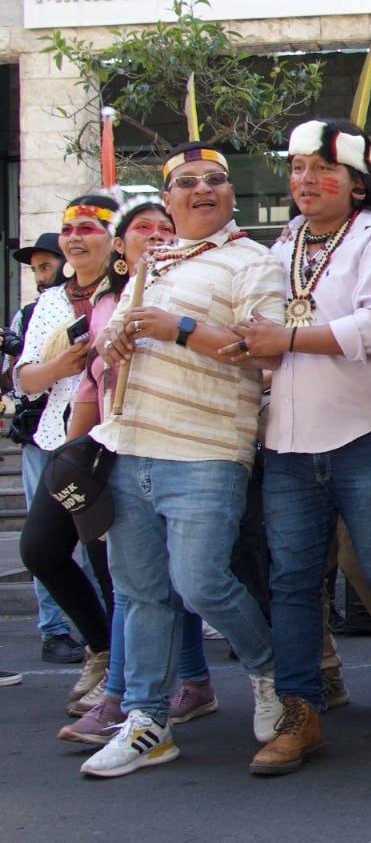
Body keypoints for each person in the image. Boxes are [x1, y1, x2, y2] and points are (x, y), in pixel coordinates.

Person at [231, 119, 371, 776]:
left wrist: (283, 341)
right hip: (290, 442)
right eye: (296, 169)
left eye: (319, 170)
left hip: (370, 434)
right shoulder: (285, 242)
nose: (304, 181)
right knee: (294, 581)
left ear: (357, 184)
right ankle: (300, 712)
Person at [84, 142, 286, 778]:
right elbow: (120, 349)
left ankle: (267, 674)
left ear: (231, 194)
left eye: (216, 180)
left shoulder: (255, 261)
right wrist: (117, 340)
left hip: (206, 450)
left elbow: (265, 352)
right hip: (128, 446)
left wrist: (177, 327)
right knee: (141, 592)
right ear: (167, 201)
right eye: (188, 182)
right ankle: (148, 720)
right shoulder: (154, 260)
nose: (204, 189)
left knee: (200, 582)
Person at [56, 199, 222, 745]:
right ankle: (161, 693)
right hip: (115, 449)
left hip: (185, 448)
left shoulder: (186, 288)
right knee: (140, 585)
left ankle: (127, 698)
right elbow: (90, 384)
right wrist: (73, 457)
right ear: (122, 244)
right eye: (142, 228)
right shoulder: (111, 299)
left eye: (163, 228)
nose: (154, 235)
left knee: (173, 584)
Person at [15, 195, 120, 705]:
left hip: (113, 448)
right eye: (68, 229)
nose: (75, 237)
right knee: (39, 550)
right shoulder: (51, 302)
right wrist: (58, 368)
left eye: (88, 228)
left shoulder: (131, 292)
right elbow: (26, 379)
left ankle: (122, 681)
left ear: (113, 239)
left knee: (111, 568)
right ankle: (100, 647)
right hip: (63, 451)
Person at [10, 228, 84, 666]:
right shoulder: (30, 313)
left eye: (45, 265)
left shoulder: (98, 301)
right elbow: (16, 378)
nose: (40, 274)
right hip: (41, 439)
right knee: (42, 543)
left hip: (87, 435)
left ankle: (102, 633)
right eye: (35, 268)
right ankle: (54, 629)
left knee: (95, 545)